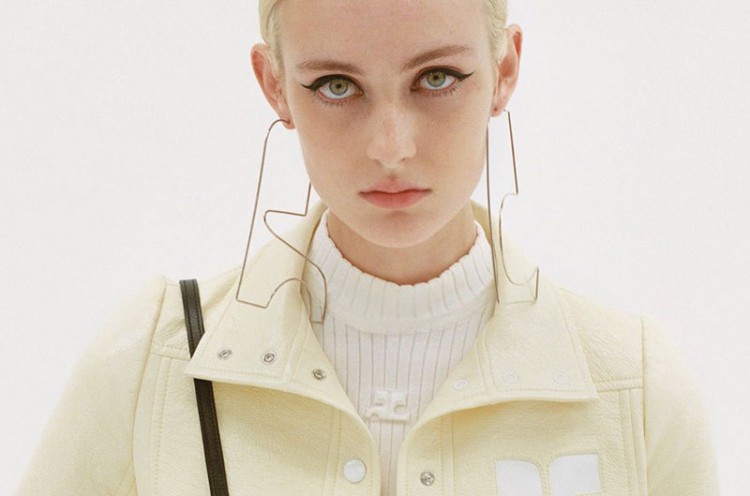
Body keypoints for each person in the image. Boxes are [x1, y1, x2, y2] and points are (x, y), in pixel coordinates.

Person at [17, 0, 720, 495]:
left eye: (436, 79)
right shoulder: (155, 365)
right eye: (337, 86)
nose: (391, 147)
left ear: (505, 69)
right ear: (274, 85)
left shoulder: (632, 389)